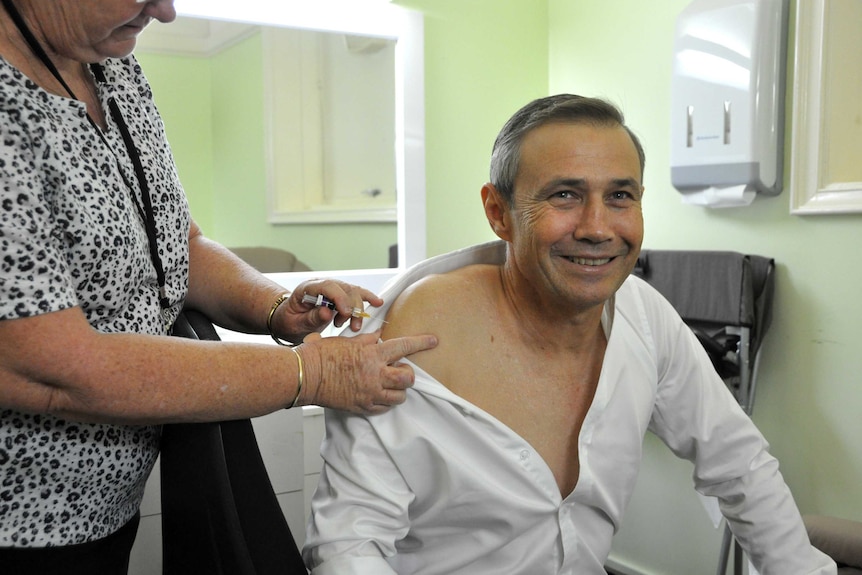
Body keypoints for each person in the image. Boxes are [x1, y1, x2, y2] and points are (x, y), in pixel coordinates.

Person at [303, 94, 836, 574]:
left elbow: (738, 462)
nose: (598, 227)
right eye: (565, 195)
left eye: (621, 196)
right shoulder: (411, 342)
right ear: (499, 213)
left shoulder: (644, 317)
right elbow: (350, 547)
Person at [0, 0, 436, 572]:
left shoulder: (111, 65)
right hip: (20, 522)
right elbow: (50, 366)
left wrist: (276, 307)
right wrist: (317, 371)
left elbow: (177, 243)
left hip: (104, 508)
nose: (167, 11)